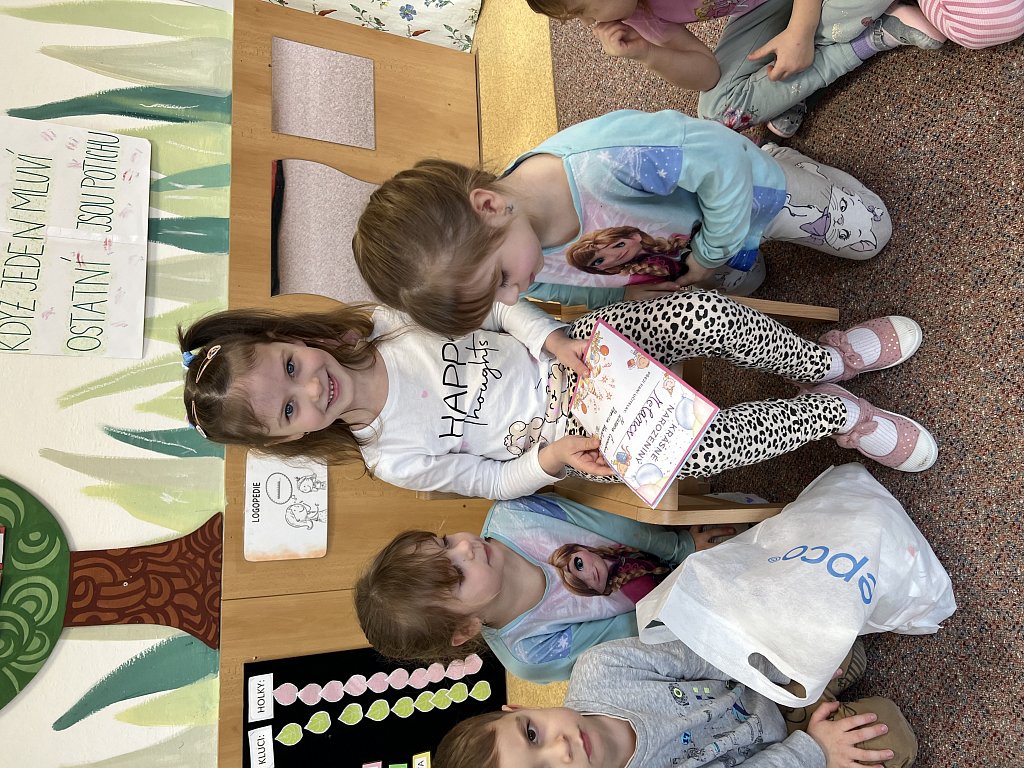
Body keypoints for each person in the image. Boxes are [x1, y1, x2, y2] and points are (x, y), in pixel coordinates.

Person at [179, 295, 938, 500]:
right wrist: (550, 460)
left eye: (291, 365)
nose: (311, 386)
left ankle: (821, 361)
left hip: (572, 352)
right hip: (566, 436)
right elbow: (489, 481)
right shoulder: (392, 461)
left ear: (288, 337)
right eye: (290, 408)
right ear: (289, 439)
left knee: (701, 314)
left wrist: (547, 339)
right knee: (700, 451)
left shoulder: (386, 323)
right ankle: (837, 415)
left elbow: (494, 306)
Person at [352, 110, 892, 329]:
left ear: (489, 206)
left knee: (873, 236)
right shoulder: (516, 258)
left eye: (501, 283)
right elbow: (570, 286)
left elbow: (722, 160)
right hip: (686, 255)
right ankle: (728, 255)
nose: (513, 299)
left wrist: (710, 256)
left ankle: (786, 163)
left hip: (751, 194)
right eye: (499, 296)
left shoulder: (606, 161)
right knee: (750, 283)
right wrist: (627, 296)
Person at [355, 493, 733, 683]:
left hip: (665, 538)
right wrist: (689, 602)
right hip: (673, 613)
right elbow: (625, 635)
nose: (465, 547)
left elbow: (617, 526)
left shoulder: (513, 514)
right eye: (457, 574)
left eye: (444, 542)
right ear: (466, 628)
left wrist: (680, 547)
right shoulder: (529, 655)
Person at [434, 636, 917, 768]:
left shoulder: (601, 668)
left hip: (759, 686)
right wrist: (815, 750)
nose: (561, 749)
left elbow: (708, 654)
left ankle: (812, 692)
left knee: (844, 650)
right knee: (891, 737)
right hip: (777, 751)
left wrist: (787, 669)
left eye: (532, 735)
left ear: (519, 709)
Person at [526, 0, 945, 138]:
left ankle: (818, 55)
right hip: (763, 9)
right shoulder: (635, 14)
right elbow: (706, 74)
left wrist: (800, 32)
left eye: (583, 10)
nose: (591, 25)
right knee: (718, 112)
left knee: (840, 13)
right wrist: (646, 53)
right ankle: (870, 37)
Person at [549, 542, 670, 601]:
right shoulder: (634, 588)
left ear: (580, 549)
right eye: (583, 585)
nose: (589, 576)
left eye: (579, 564)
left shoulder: (615, 548)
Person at [566, 226, 690, 284]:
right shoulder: (640, 278)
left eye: (619, 245)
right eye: (599, 261)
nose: (615, 255)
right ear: (601, 269)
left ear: (634, 236)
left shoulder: (674, 237)